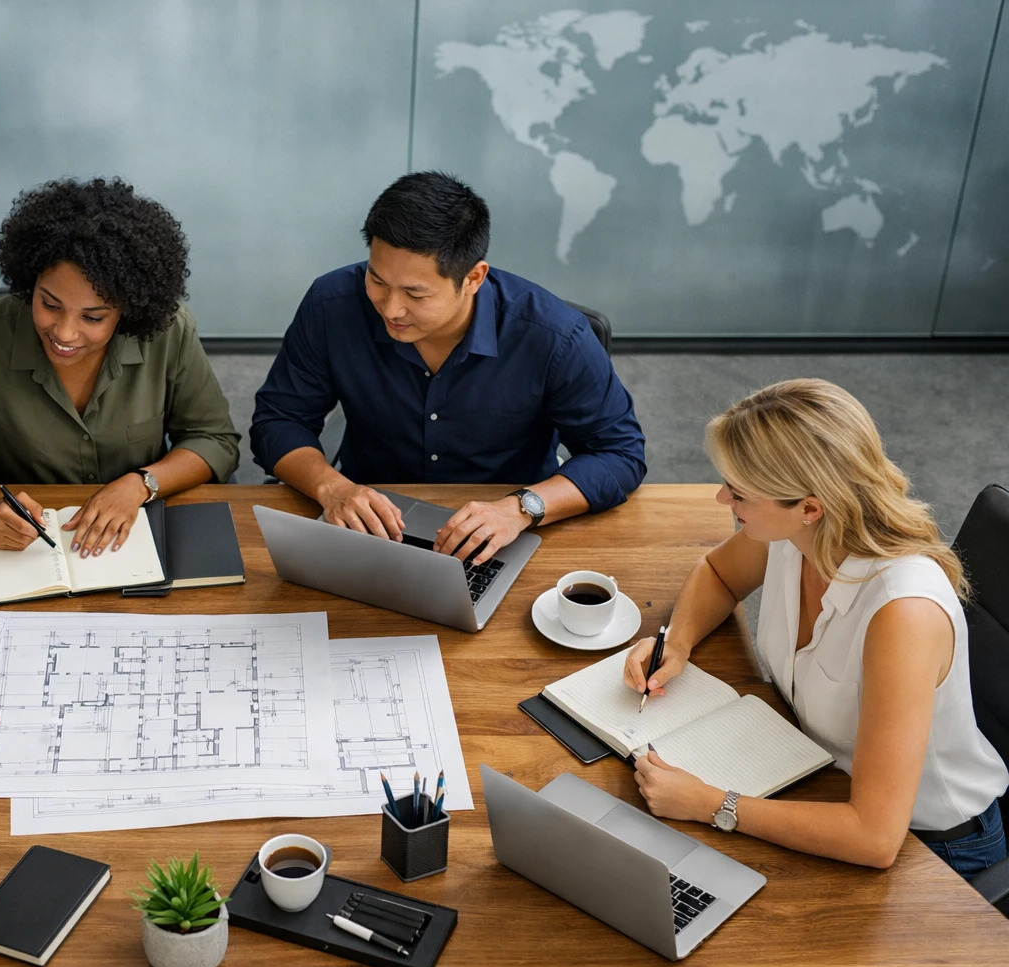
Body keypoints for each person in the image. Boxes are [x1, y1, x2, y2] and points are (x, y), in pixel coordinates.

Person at [625, 379, 1007, 877]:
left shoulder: (901, 612)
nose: (722, 499)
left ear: (809, 506)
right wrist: (676, 643)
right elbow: (718, 573)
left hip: (931, 850)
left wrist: (711, 803)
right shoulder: (796, 532)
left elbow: (874, 837)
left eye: (738, 492)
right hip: (819, 776)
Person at [250, 170, 645, 564]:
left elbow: (620, 453)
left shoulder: (554, 336)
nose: (390, 308)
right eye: (377, 280)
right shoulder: (331, 304)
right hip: (371, 523)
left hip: (506, 530)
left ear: (473, 278)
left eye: (415, 293)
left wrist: (522, 508)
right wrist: (331, 487)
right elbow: (279, 419)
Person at [0, 177, 240, 559]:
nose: (65, 332)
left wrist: (141, 484)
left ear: (129, 309)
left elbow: (213, 439)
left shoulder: (169, 333)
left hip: (136, 533)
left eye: (93, 317)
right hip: (17, 547)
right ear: (30, 281)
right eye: (50, 304)